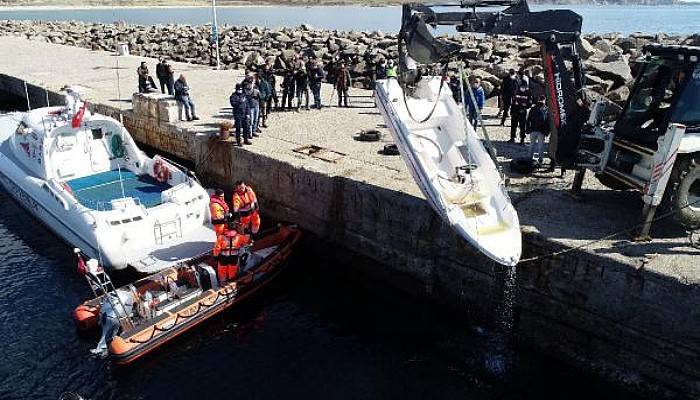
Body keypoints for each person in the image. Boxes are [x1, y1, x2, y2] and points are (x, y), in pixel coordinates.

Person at [527, 95, 551, 166]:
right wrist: (528, 129)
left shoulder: (547, 109)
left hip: (541, 131)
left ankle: (540, 159)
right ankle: (529, 159)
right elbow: (528, 119)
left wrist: (546, 132)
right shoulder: (533, 108)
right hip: (533, 129)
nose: (541, 101)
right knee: (532, 145)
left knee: (540, 146)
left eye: (542, 100)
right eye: (540, 99)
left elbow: (548, 122)